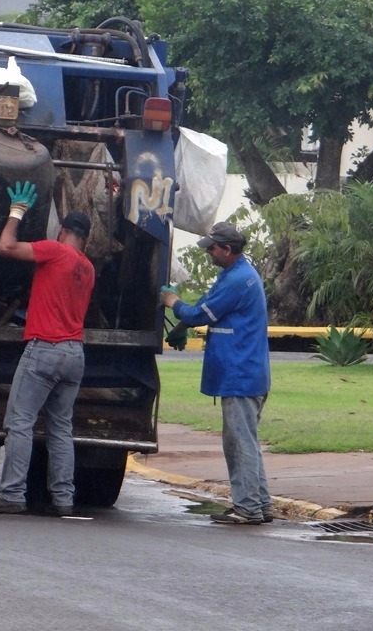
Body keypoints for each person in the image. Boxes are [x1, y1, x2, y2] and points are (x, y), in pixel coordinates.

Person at [0, 182, 96, 517]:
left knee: (20, 422)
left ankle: (13, 495)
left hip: (45, 349)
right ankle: (63, 500)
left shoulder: (55, 250)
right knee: (61, 427)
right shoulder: (88, 268)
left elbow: (5, 247)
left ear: (61, 232)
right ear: (86, 239)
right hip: (75, 354)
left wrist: (16, 212)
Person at [162, 221, 272, 525]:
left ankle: (248, 507)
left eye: (213, 247)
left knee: (239, 442)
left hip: (240, 374)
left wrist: (173, 303)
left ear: (227, 249)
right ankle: (259, 504)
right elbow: (212, 310)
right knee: (245, 440)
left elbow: (200, 313)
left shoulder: (237, 279)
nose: (209, 252)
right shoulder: (239, 274)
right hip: (247, 372)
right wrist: (183, 326)